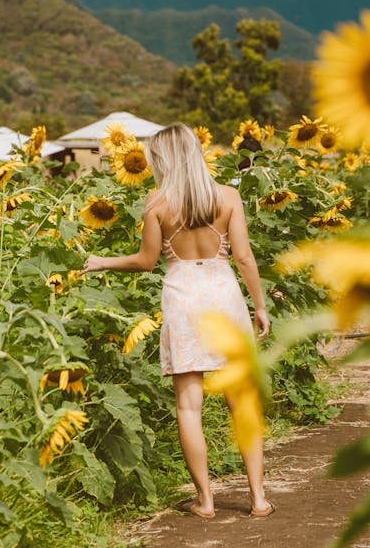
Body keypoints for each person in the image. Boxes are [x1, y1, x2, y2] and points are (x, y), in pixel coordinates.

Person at [81, 122, 274, 519]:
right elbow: (244, 258)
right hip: (223, 295)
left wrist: (102, 262)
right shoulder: (228, 196)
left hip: (183, 297)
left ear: (163, 160)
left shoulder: (157, 202)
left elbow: (146, 261)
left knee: (189, 407)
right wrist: (260, 305)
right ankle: (258, 499)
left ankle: (205, 501)